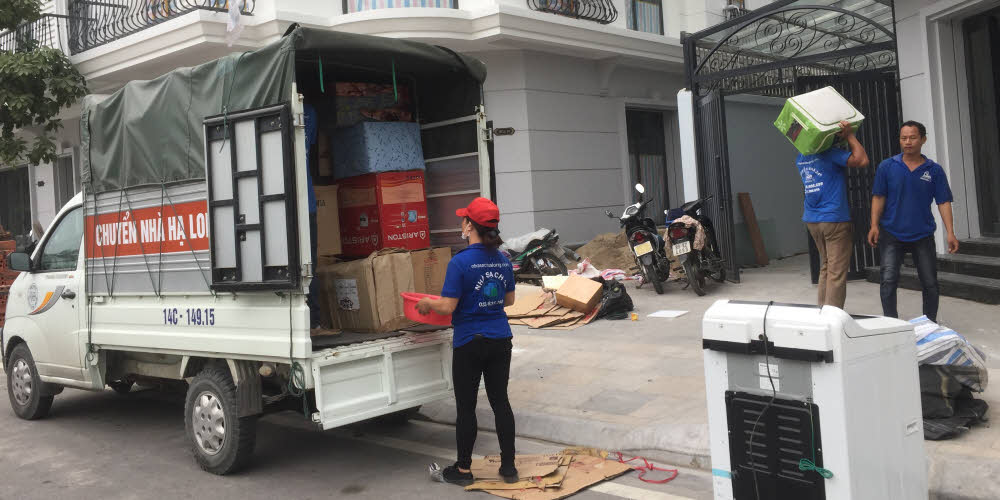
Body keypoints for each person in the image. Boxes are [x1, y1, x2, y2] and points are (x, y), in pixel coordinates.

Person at [416, 197, 518, 486]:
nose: (461, 224)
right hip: (500, 339)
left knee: (466, 407)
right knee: (501, 402)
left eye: (464, 220)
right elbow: (509, 300)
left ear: (469, 226)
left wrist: (427, 303)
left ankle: (463, 471)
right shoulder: (503, 260)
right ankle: (509, 468)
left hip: (469, 342)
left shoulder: (460, 262)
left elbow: (447, 306)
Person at [868, 121, 959, 322]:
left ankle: (930, 323)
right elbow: (878, 197)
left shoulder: (934, 170)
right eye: (904, 138)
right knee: (888, 281)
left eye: (912, 137)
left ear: (923, 140)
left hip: (922, 234)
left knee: (930, 283)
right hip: (891, 232)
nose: (907, 142)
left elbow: (943, 202)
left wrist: (950, 232)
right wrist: (874, 225)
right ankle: (891, 324)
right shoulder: (887, 167)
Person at [796, 120, 869, 309]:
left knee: (826, 266)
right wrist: (849, 135)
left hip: (812, 219)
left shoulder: (801, 157)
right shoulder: (829, 154)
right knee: (836, 272)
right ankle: (832, 317)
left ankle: (823, 311)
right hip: (833, 218)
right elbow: (862, 160)